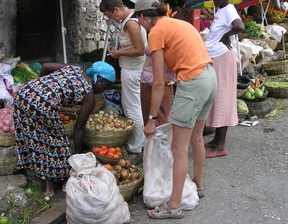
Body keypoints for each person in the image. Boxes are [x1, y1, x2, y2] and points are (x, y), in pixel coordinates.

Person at [134, 0, 217, 219]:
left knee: (177, 148)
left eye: (138, 20)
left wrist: (152, 119)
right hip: (209, 77)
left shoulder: (155, 32)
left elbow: (159, 83)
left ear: (143, 17)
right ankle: (197, 186)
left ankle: (174, 205)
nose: (140, 24)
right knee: (196, 139)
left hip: (193, 83)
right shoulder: (178, 23)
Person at [13, 61, 115, 197]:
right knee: (58, 143)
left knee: (36, 137)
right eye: (106, 87)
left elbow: (46, 66)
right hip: (43, 105)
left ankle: (46, 180)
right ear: (101, 80)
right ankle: (56, 183)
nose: (104, 91)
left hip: (24, 94)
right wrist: (77, 157)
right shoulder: (89, 95)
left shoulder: (76, 69)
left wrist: (40, 88)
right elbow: (79, 128)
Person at [100, 0, 147, 154]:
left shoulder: (131, 23)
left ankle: (136, 145)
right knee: (134, 105)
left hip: (133, 70)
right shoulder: (131, 17)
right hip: (133, 68)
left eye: (110, 16)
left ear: (116, 9)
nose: (112, 19)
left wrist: (118, 53)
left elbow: (140, 50)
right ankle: (139, 141)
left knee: (133, 107)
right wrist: (119, 49)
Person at [204, 0, 245, 158]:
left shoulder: (228, 9)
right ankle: (216, 140)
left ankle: (220, 146)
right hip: (217, 55)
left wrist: (225, 37)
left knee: (223, 99)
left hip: (223, 56)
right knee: (216, 97)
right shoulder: (221, 10)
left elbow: (239, 26)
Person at [140, 43, 175, 126]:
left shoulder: (158, 34)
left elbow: (158, 83)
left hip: (155, 84)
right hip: (163, 82)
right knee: (161, 121)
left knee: (156, 125)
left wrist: (152, 119)